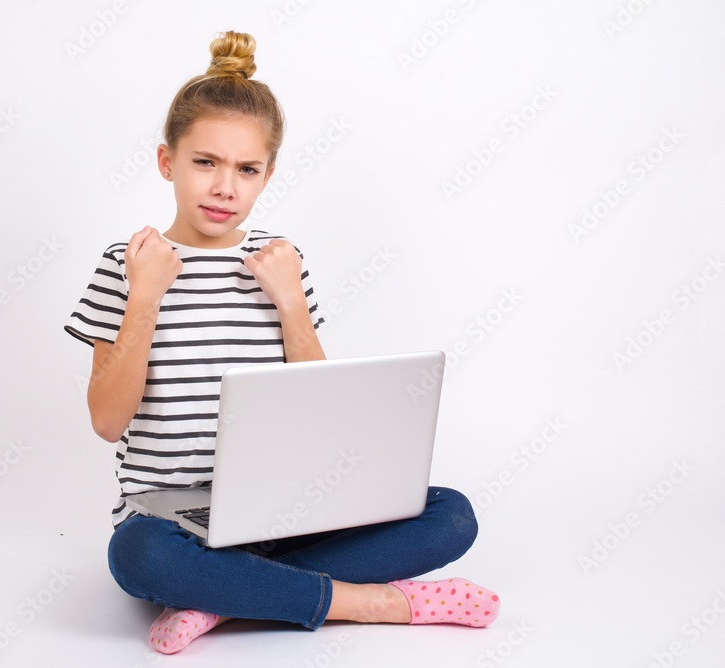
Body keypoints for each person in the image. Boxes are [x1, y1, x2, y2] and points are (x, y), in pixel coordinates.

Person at [64, 30, 499, 655]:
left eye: (246, 170)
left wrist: (290, 300)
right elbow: (108, 421)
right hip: (172, 524)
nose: (225, 187)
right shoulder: (127, 264)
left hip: (286, 512)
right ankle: (369, 603)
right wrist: (147, 296)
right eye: (205, 163)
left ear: (267, 175)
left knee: (450, 514)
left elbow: (321, 412)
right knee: (137, 557)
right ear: (166, 162)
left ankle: (222, 600)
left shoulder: (280, 262)